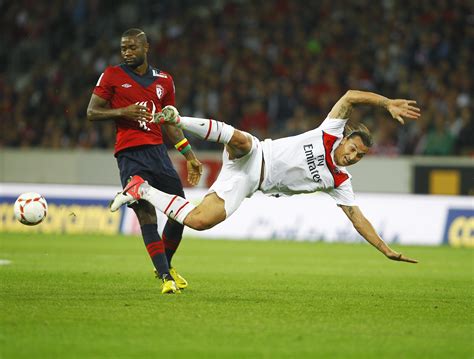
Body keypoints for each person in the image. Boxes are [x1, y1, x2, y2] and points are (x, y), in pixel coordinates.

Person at [111, 90, 421, 264]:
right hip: (255, 154)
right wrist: (386, 103)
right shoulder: (330, 132)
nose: (352, 157)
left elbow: (358, 219)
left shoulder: (339, 182)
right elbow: (351, 97)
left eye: (359, 157)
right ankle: (177, 118)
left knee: (200, 221)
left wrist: (385, 250)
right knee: (241, 140)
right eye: (353, 149)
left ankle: (141, 189)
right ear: (344, 139)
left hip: (247, 183)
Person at [86, 28, 202, 294]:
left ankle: (165, 264)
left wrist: (190, 157)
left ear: (146, 47)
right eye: (123, 48)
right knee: (145, 213)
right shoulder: (112, 75)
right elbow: (92, 111)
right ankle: (165, 277)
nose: (127, 52)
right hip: (129, 154)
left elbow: (171, 124)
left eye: (132, 48)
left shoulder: (165, 81)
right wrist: (122, 111)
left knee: (181, 212)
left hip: (158, 153)